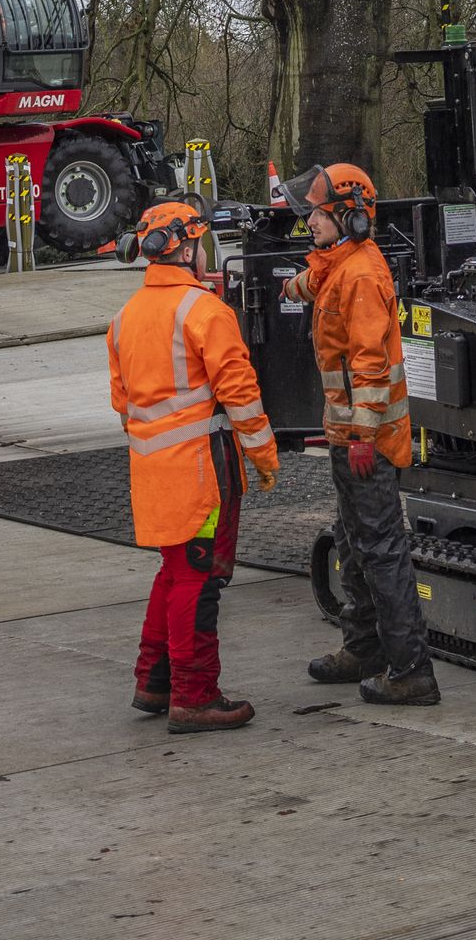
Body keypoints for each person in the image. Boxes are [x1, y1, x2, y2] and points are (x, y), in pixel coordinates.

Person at [107, 195, 280, 733]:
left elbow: (123, 403)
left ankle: (153, 681)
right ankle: (194, 696)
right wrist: (264, 456)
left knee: (174, 572)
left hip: (152, 472)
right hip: (202, 471)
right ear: (184, 249)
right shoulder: (205, 311)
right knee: (196, 581)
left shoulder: (124, 318)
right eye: (202, 242)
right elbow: (240, 392)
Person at [282, 160, 440, 705]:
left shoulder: (363, 276)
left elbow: (371, 366)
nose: (309, 222)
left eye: (318, 215)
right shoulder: (339, 264)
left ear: (349, 217)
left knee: (381, 548)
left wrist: (365, 438)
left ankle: (412, 670)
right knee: (352, 542)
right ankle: (363, 648)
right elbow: (318, 280)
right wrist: (290, 285)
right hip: (347, 436)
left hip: (365, 442)